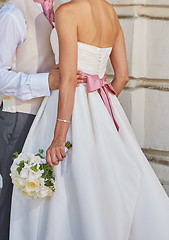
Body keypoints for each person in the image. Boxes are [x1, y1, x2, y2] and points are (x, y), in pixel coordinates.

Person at [9, 0, 169, 239]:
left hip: (67, 105)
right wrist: (97, 106)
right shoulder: (110, 12)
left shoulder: (67, 12)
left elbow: (67, 79)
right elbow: (123, 76)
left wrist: (59, 137)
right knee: (104, 182)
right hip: (103, 103)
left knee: (71, 183)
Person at [0, 0, 84, 239]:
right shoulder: (12, 13)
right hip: (18, 117)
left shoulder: (59, 10)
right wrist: (47, 82)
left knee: (36, 200)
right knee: (11, 199)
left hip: (47, 118)